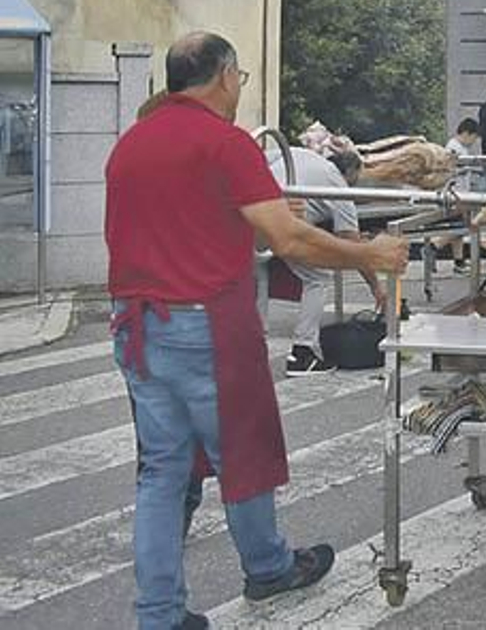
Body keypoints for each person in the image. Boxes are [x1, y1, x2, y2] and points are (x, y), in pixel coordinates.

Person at [105, 32, 409, 630]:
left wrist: (255, 218)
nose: (239, 89)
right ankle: (267, 568)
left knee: (162, 473)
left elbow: (179, 225)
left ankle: (159, 615)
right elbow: (289, 240)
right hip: (205, 328)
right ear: (224, 76)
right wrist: (371, 253)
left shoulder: (132, 144)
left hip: (137, 327)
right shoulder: (225, 143)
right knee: (240, 453)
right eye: (240, 79)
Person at [264, 147, 388, 375]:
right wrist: (376, 287)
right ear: (350, 173)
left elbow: (263, 157)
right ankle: (303, 353)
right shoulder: (338, 186)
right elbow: (353, 244)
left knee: (254, 276)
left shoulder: (300, 153)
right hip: (282, 222)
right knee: (318, 277)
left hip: (253, 210)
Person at [443, 118, 481, 272]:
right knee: (460, 227)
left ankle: (459, 261)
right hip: (456, 194)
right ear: (466, 133)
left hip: (462, 193)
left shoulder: (462, 148)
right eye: (473, 137)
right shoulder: (453, 148)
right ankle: (435, 245)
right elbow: (449, 170)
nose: (474, 142)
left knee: (458, 229)